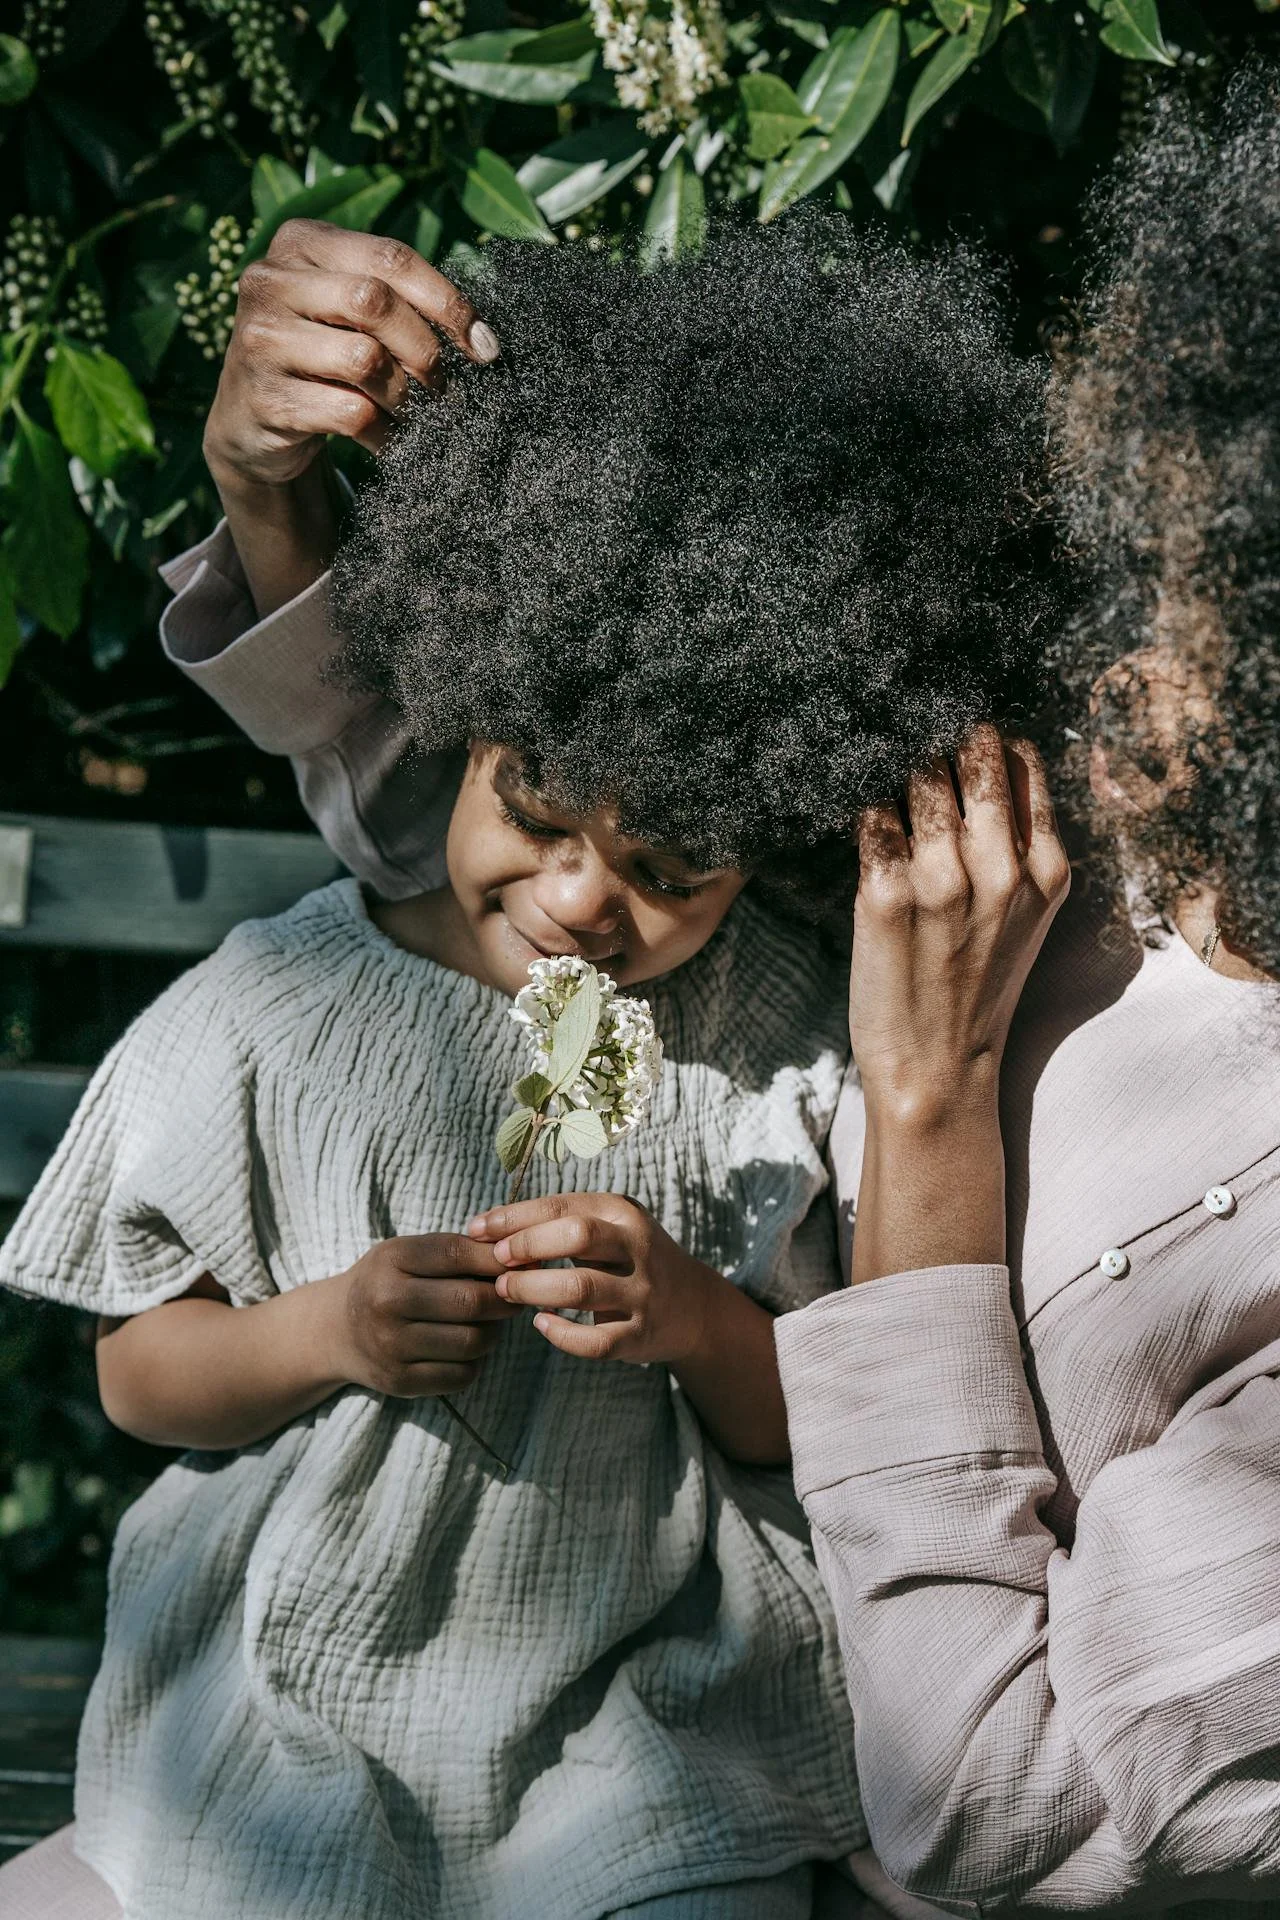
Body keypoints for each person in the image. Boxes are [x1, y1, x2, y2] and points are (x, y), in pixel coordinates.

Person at [0, 216, 1068, 1920]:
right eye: (542, 819)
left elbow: (835, 1413)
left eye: (673, 868)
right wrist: (329, 1330)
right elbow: (140, 1375)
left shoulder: (788, 1050)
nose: (585, 905)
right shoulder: (280, 1005)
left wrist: (702, 1323)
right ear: (455, 715)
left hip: (642, 1721)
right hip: (287, 1711)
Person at [771, 60, 1280, 1915]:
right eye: (1143, 542)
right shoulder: (1139, 828)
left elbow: (983, 1806)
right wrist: (282, 507)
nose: (1114, 648)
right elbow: (534, 856)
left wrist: (925, 1101)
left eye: (1198, 600)